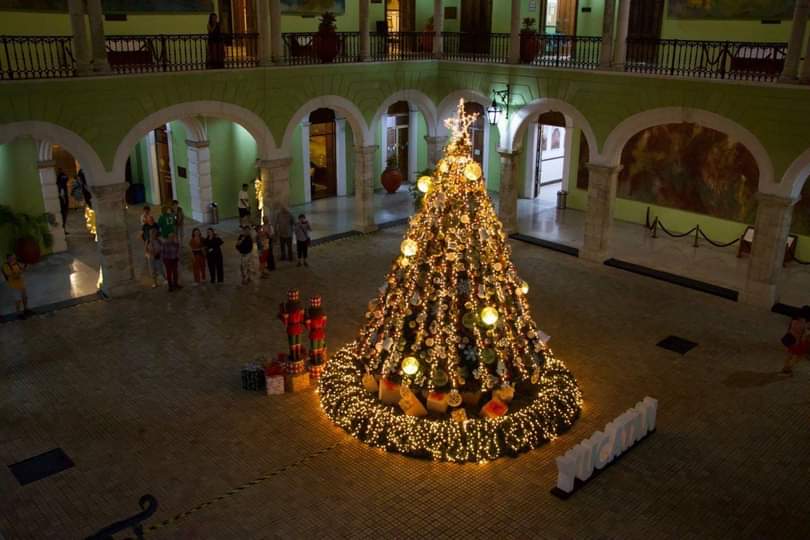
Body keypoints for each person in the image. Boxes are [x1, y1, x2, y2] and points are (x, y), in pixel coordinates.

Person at [782, 305, 810, 375]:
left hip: (791, 339)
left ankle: (785, 366)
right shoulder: (805, 324)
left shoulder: (794, 320)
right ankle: (789, 368)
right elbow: (804, 336)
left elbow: (789, 329)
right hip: (798, 342)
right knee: (797, 356)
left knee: (790, 354)